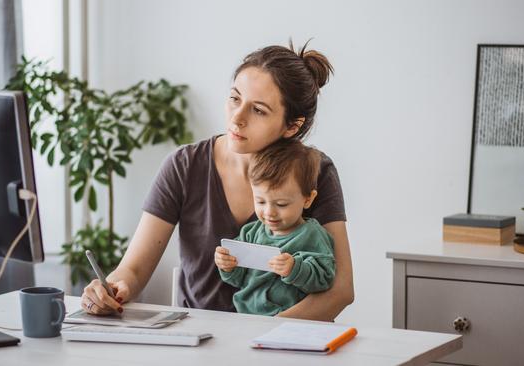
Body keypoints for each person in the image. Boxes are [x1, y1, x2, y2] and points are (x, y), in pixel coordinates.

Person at [81, 41, 354, 321]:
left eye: (258, 110)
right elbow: (134, 270)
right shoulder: (184, 165)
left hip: (284, 345)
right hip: (198, 343)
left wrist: (265, 334)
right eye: (235, 98)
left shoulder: (316, 170)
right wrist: (113, 288)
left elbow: (341, 291)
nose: (237, 118)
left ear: (291, 126)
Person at [215, 140, 336, 316]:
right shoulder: (251, 232)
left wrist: (295, 269)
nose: (269, 212)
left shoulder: (312, 234)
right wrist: (227, 266)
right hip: (245, 318)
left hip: (291, 322)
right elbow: (238, 279)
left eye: (281, 204)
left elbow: (325, 278)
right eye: (261, 201)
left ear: (308, 199)